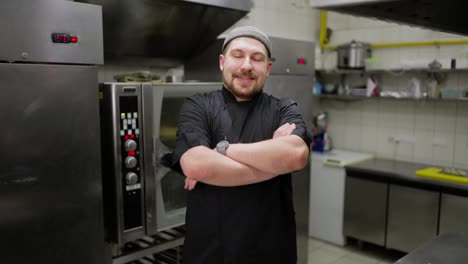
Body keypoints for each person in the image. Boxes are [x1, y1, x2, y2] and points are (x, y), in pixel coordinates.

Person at [171, 26, 311, 264]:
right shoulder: (199, 106)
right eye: (238, 56)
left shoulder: (283, 109)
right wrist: (274, 163)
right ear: (222, 62)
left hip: (271, 251)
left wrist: (222, 150)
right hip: (211, 252)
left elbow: (295, 155)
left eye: (257, 59)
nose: (247, 65)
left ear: (267, 69)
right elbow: (197, 165)